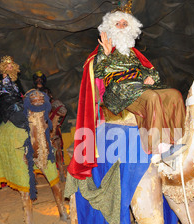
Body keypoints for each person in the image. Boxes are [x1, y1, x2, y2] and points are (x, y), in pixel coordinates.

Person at [68, 5, 186, 179]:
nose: (122, 27)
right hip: (118, 91)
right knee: (152, 97)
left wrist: (151, 78)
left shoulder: (134, 53)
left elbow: (150, 70)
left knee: (174, 94)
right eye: (118, 24)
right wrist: (106, 55)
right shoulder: (102, 51)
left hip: (138, 87)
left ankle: (179, 141)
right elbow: (98, 74)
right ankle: (155, 148)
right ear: (110, 28)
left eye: (125, 24)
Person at [32, 71, 68, 181]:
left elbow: (63, 111)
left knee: (56, 144)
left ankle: (61, 170)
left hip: (51, 128)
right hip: (37, 126)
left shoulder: (53, 102)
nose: (39, 82)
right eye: (37, 80)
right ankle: (33, 175)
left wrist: (55, 114)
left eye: (40, 80)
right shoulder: (32, 96)